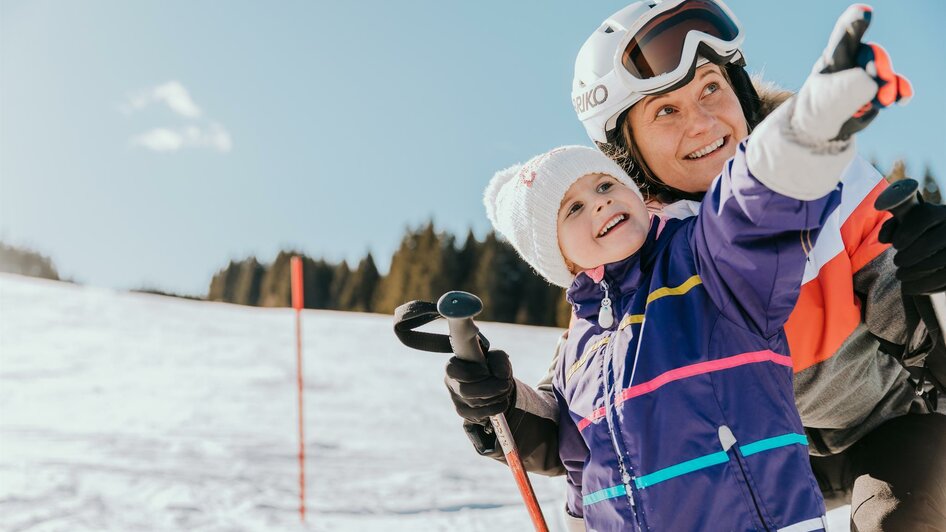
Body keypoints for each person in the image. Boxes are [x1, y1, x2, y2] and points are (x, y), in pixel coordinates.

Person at [445, 2, 946, 530]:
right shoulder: (630, 252)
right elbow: (583, 414)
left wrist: (935, 280)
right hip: (751, 460)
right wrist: (496, 406)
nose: (704, 122)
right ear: (625, 150)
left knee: (902, 513)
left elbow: (929, 349)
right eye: (665, 110)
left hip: (885, 430)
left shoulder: (826, 180)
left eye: (711, 87)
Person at [482, 133, 844, 529]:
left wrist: (806, 136)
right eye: (574, 208)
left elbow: (757, 220)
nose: (600, 201)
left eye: (605, 185)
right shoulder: (576, 348)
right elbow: (580, 469)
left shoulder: (699, 258)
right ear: (559, 257)